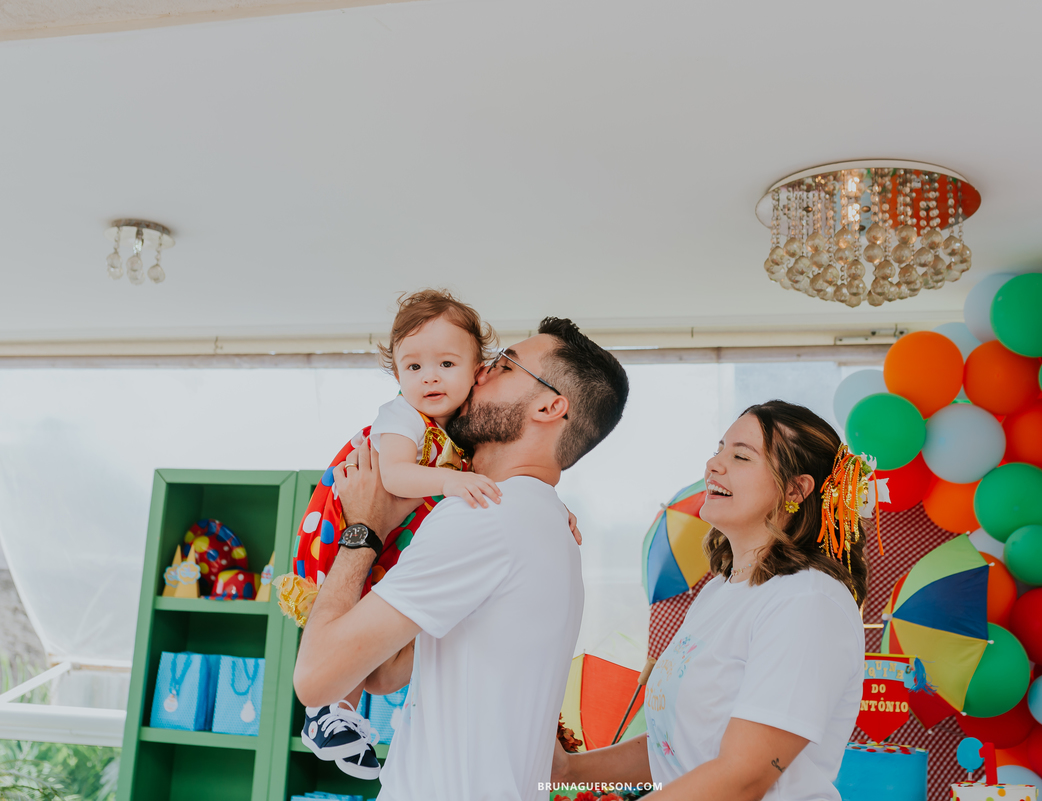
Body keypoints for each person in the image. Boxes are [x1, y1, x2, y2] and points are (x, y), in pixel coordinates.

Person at [293, 317, 630, 801]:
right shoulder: (545, 522)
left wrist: (363, 531)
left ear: (550, 405)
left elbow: (316, 679)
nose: (480, 373)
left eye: (504, 365)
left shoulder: (486, 514)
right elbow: (384, 674)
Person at [552, 401, 869, 801]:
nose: (713, 464)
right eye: (719, 448)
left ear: (795, 489)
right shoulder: (720, 590)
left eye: (740, 456)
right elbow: (675, 750)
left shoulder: (807, 600)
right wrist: (567, 770)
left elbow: (743, 776)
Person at [277, 289, 509, 777]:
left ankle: (340, 713)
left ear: (477, 370)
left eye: (446, 363)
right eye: (413, 366)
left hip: (396, 533)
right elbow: (395, 477)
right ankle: (327, 711)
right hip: (347, 519)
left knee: (371, 612)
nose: (428, 377)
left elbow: (498, 481)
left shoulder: (467, 429)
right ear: (397, 373)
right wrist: (450, 480)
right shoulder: (402, 416)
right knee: (352, 602)